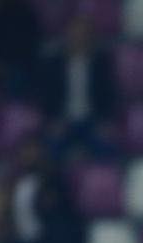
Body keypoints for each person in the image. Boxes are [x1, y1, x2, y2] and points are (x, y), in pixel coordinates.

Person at [37, 14, 119, 160]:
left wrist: (105, 121)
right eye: (75, 34)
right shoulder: (54, 63)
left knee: (108, 149)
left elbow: (109, 94)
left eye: (83, 34)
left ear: (90, 37)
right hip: (63, 120)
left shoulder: (101, 63)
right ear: (67, 36)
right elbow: (46, 96)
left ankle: (101, 182)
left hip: (92, 121)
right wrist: (52, 120)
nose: (78, 38)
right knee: (49, 150)